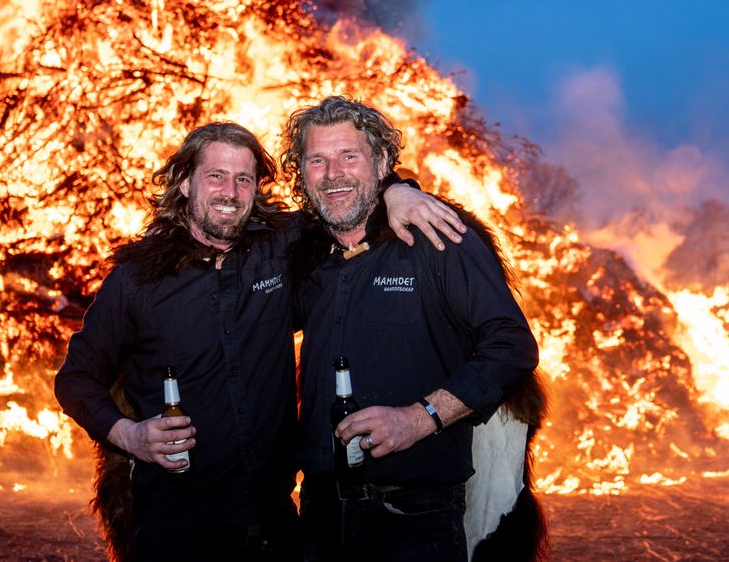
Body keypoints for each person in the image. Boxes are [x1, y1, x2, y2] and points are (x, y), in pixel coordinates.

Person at [54, 121, 463, 561]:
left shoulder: (282, 248)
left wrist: (398, 190)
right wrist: (130, 435)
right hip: (176, 530)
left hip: (275, 527)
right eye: (216, 176)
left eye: (243, 179)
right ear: (186, 183)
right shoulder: (135, 281)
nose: (230, 191)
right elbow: (76, 379)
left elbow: (343, 193)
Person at [281, 96, 540, 561]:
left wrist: (419, 418)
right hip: (319, 512)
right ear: (302, 172)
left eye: (349, 156)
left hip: (414, 517)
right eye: (316, 160)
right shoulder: (305, 254)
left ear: (381, 162)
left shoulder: (436, 236)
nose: (332, 173)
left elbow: (511, 345)